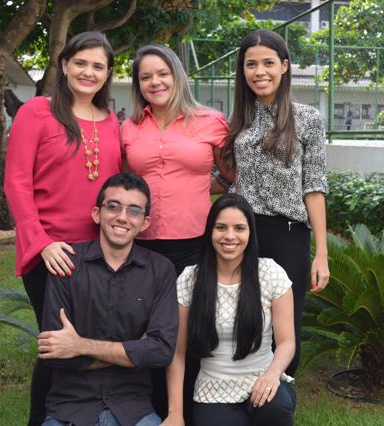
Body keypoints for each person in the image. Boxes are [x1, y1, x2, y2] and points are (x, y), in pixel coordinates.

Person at [4, 31, 122, 425]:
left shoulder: (111, 122)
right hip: (50, 253)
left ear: (108, 74)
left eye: (98, 66)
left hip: (100, 254)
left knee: (89, 345)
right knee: (56, 346)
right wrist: (41, 244)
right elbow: (16, 182)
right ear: (65, 65)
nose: (89, 72)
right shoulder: (37, 111)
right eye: (81, 63)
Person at [120, 44, 232, 420]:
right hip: (144, 246)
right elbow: (124, 182)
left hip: (194, 245)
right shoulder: (129, 128)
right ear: (138, 84)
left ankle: (194, 409)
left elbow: (233, 177)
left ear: (177, 76)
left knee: (192, 331)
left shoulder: (211, 121)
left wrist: (200, 189)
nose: (155, 82)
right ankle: (152, 410)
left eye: (162, 73)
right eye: (146, 76)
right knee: (148, 329)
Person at [222, 29, 329, 376]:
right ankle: (239, 391)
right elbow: (226, 178)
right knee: (241, 314)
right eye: (251, 64)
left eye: (268, 63)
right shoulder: (237, 121)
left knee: (286, 320)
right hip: (241, 233)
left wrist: (322, 253)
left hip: (287, 234)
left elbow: (314, 186)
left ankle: (279, 395)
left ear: (284, 66)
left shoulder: (308, 118)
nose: (259, 71)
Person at [37, 172, 178, 426]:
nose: (122, 217)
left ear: (145, 222)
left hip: (133, 409)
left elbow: (161, 352)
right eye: (113, 206)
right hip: (70, 408)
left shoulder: (160, 271)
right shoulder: (65, 263)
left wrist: (78, 345)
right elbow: (54, 352)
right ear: (96, 213)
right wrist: (134, 351)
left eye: (134, 211)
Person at [163, 194, 296, 426]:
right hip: (213, 389)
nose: (230, 236)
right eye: (221, 227)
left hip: (262, 379)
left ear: (250, 233)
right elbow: (177, 352)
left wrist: (272, 375)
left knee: (276, 409)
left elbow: (287, 342)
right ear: (210, 231)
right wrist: (175, 413)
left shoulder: (271, 273)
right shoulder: (189, 279)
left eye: (239, 228)